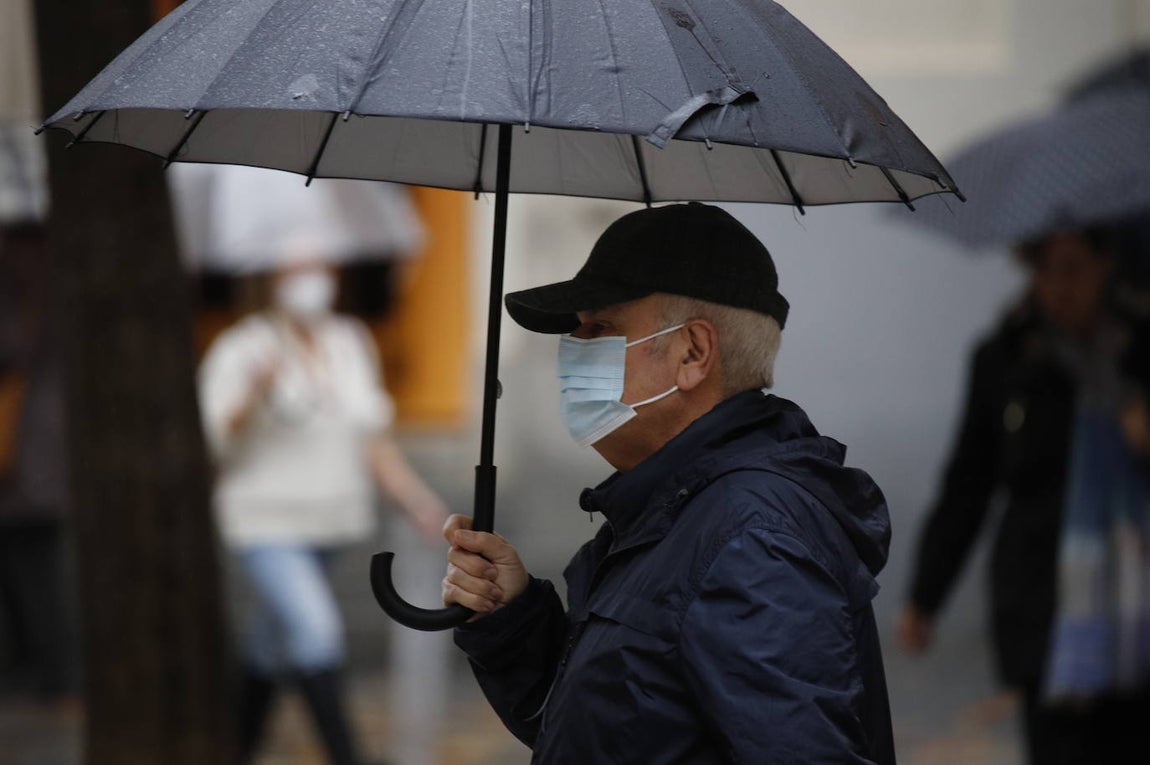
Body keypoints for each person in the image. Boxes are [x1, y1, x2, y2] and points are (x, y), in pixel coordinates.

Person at [440, 202, 896, 764]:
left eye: (600, 328)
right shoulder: (675, 507)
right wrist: (512, 621)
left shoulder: (749, 539)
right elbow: (621, 731)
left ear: (693, 353)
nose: (571, 350)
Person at [897, 228, 1150, 765]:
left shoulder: (1141, 349)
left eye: (1072, 268)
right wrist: (926, 596)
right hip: (1042, 615)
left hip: (1138, 611)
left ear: (1107, 264)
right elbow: (969, 482)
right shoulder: (1003, 358)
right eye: (1044, 270)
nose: (1057, 287)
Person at [198, 256, 450, 765]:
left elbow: (372, 440)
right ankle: (346, 754)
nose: (311, 280)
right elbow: (214, 438)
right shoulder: (242, 347)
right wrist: (256, 390)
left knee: (270, 643)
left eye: (320, 265)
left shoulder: (349, 341)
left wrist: (419, 502)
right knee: (316, 631)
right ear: (269, 276)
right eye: (295, 266)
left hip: (331, 524)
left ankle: (235, 747)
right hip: (265, 524)